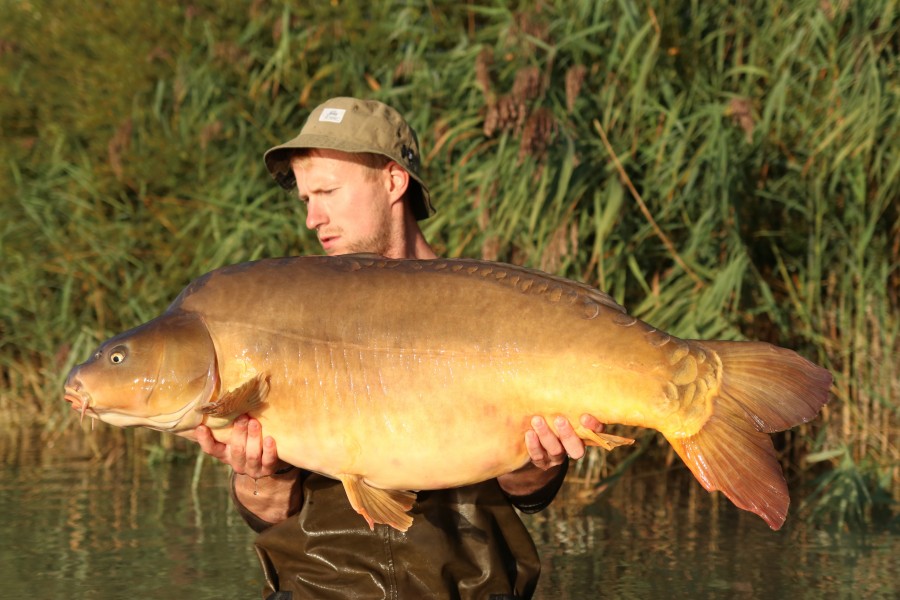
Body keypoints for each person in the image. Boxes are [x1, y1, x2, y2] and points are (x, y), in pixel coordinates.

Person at [196, 97, 604, 600]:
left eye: (327, 191)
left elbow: (525, 493)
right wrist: (259, 474)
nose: (313, 218)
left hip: (470, 588)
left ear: (393, 181)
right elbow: (270, 514)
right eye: (305, 200)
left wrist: (536, 460)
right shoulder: (290, 312)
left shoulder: (487, 306)